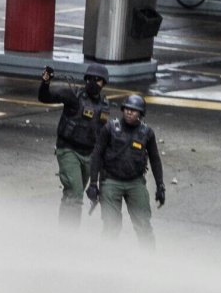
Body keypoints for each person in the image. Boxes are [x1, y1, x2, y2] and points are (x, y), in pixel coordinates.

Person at [86, 95, 165, 246]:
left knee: (144, 225)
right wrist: (93, 183)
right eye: (127, 109)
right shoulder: (110, 128)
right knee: (111, 226)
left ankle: (149, 261)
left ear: (140, 114)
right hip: (111, 180)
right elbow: (97, 155)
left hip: (135, 182)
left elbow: (155, 159)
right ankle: (105, 259)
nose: (129, 113)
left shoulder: (147, 133)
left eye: (134, 111)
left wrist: (160, 186)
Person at [39, 63, 110, 227]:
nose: (93, 82)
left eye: (98, 80)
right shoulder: (73, 96)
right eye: (90, 79)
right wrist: (46, 82)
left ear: (104, 83)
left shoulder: (105, 105)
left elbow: (104, 135)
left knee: (73, 194)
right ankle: (68, 236)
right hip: (68, 150)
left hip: (89, 155)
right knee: (74, 193)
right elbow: (44, 97)